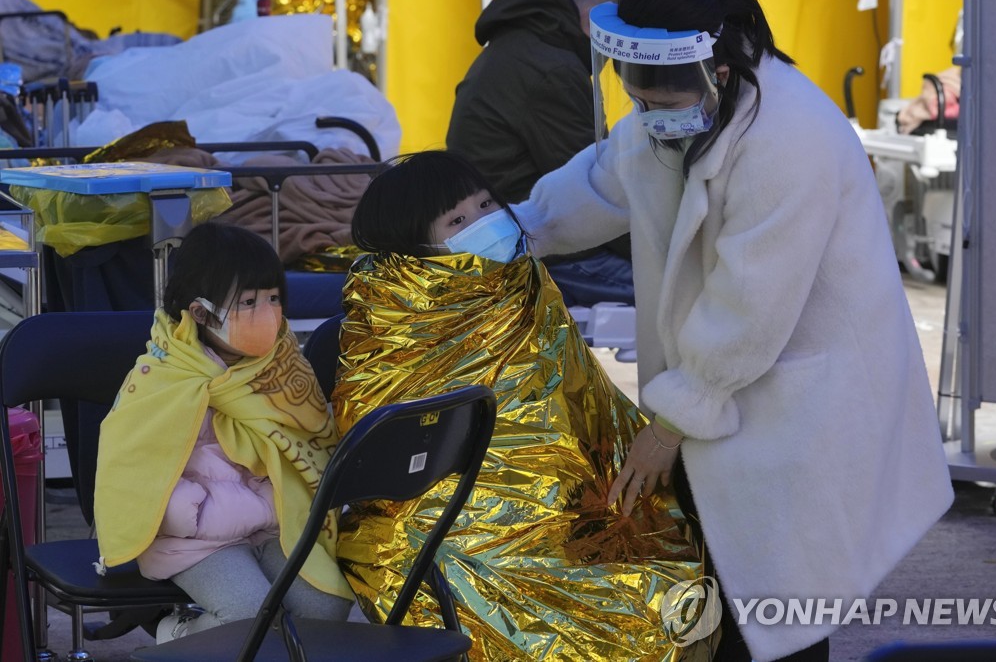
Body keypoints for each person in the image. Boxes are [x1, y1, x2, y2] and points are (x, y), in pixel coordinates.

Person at [512, 0, 955, 660]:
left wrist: (674, 421)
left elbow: (750, 303)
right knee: (724, 603)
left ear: (717, 72)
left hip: (800, 400)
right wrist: (513, 230)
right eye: (636, 102)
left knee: (782, 608)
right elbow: (605, 176)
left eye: (658, 104)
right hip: (732, 390)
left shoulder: (791, 137)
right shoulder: (688, 110)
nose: (646, 116)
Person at [333, 150, 717, 661]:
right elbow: (380, 450)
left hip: (571, 500)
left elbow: (580, 401)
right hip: (448, 524)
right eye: (458, 220)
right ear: (416, 246)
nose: (486, 222)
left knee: (663, 572)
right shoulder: (394, 318)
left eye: (488, 203)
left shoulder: (521, 283)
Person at [94, 222, 354, 642]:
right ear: (201, 312)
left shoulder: (281, 365)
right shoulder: (166, 376)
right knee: (247, 617)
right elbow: (133, 470)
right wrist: (201, 514)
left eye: (273, 298)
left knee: (326, 605)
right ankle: (176, 634)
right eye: (249, 302)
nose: (268, 313)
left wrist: (274, 504)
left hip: (272, 524)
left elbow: (309, 443)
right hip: (197, 537)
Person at [446, 0, 636, 308]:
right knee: (683, 295)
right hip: (541, 256)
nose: (616, 49)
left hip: (507, 241)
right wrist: (663, 253)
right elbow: (596, 194)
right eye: (619, 34)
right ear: (597, 18)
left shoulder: (524, 46)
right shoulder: (551, 69)